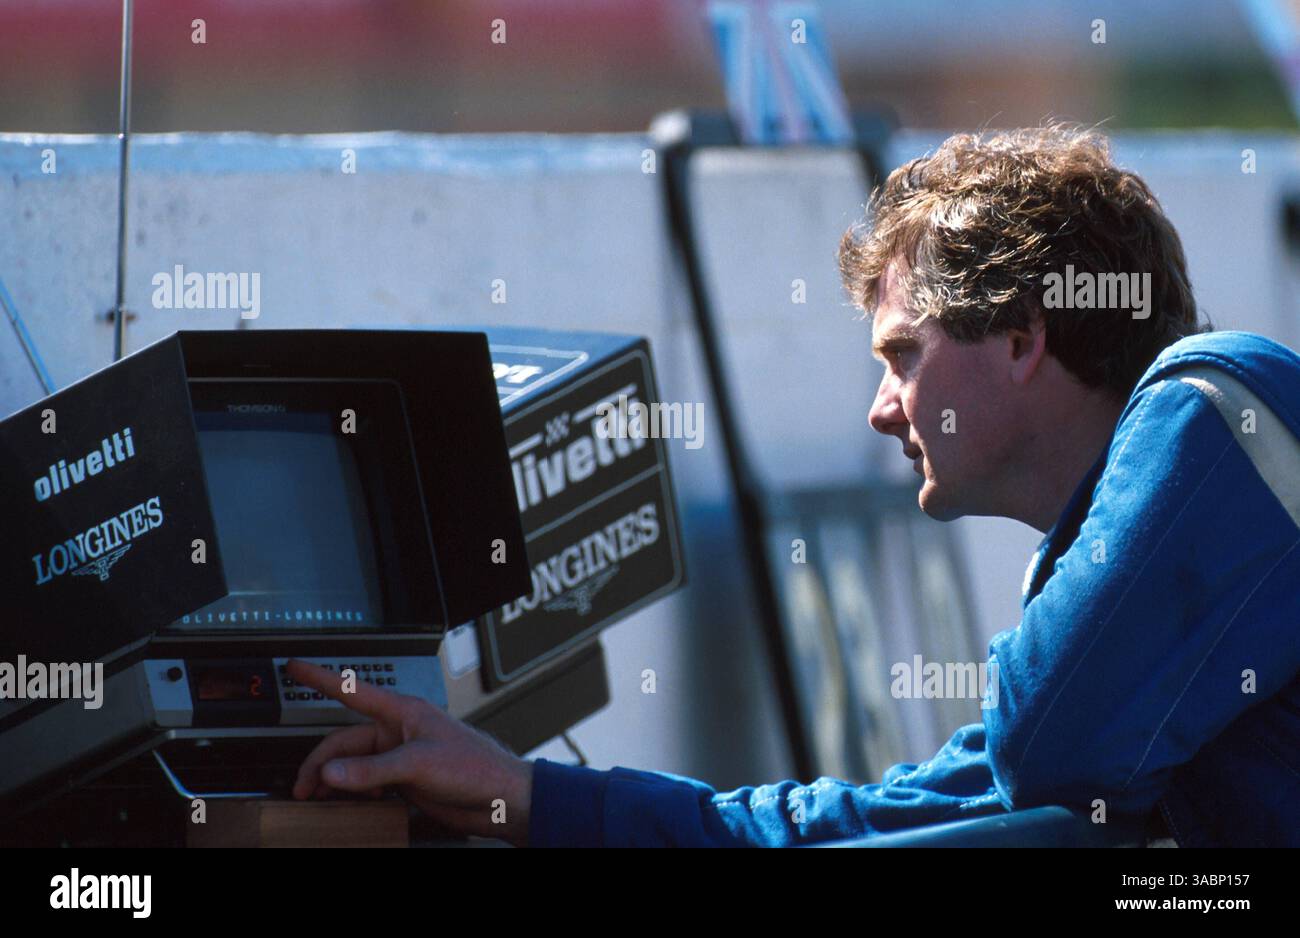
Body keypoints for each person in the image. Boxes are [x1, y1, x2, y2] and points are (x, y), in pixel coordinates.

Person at [288, 124, 1300, 847]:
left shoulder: (1216, 400)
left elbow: (1046, 758)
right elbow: (861, 816)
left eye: (902, 354)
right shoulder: (1133, 614)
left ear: (1022, 337)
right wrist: (523, 793)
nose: (881, 406)